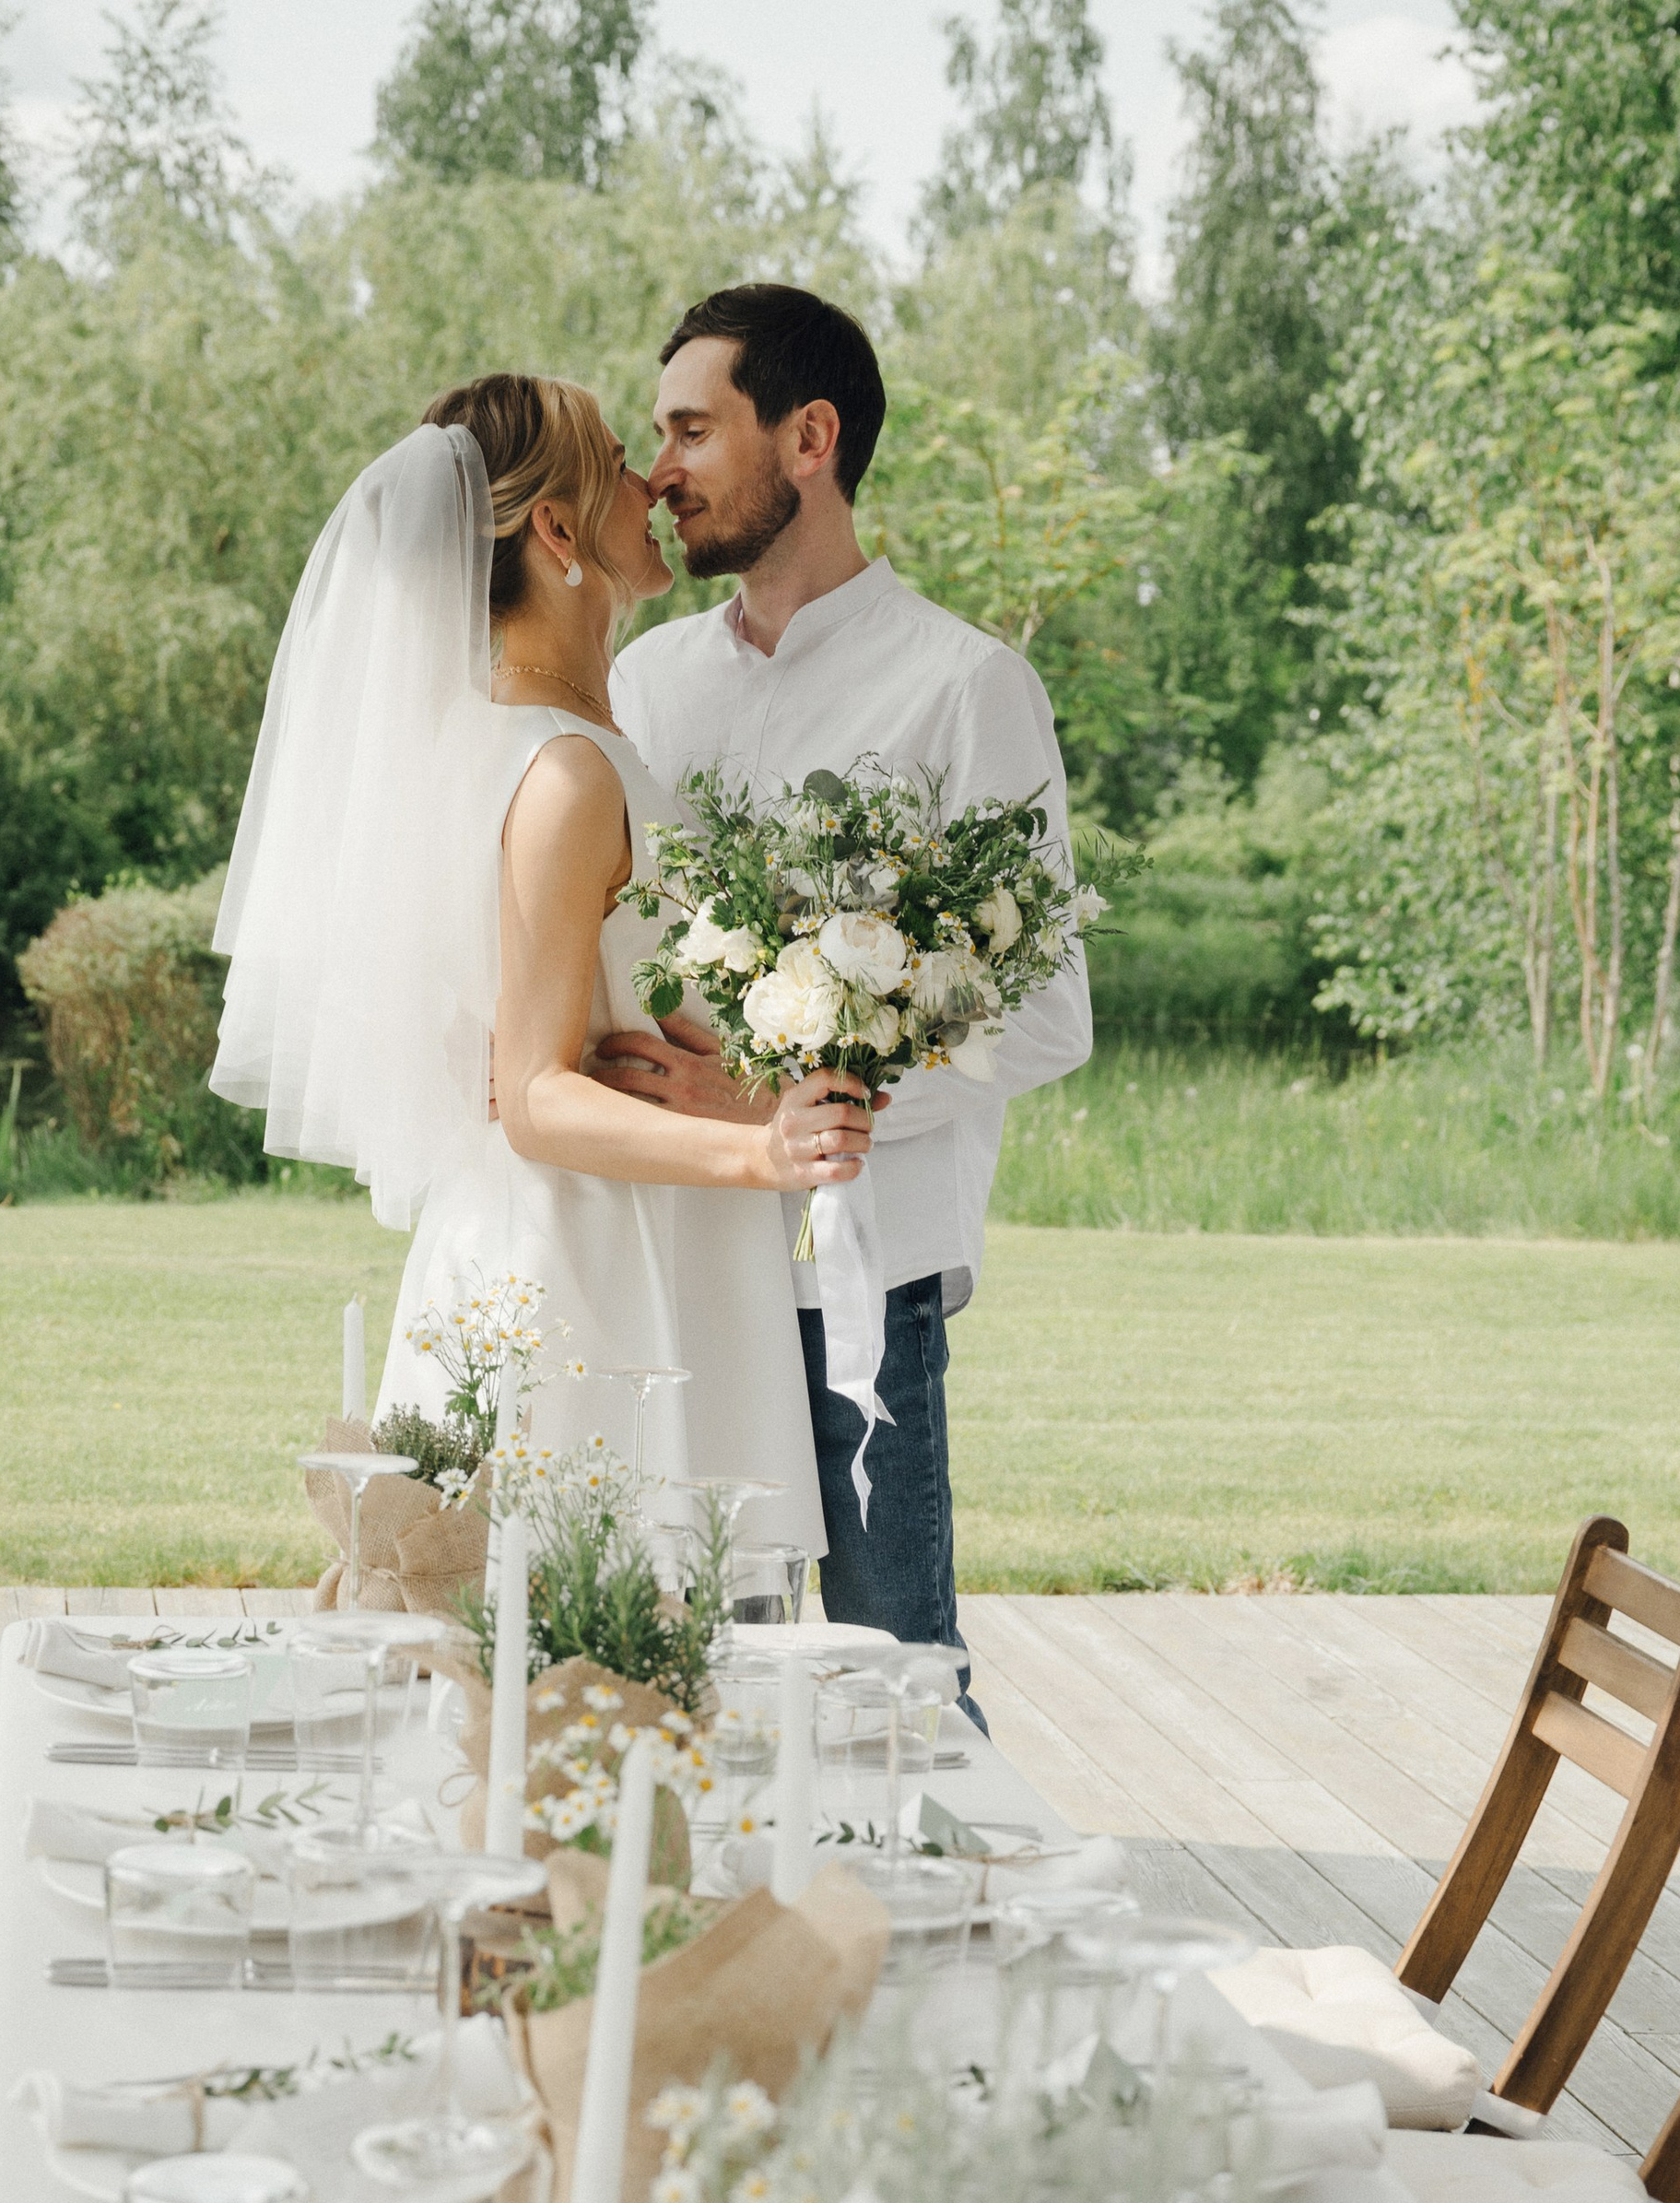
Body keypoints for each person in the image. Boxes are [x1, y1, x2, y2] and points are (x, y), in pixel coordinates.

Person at [208, 373, 874, 1563]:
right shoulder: (562, 775)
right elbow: (534, 1094)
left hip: (619, 1238)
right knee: (567, 1671)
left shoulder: (553, 749)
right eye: (620, 459)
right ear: (560, 533)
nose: (652, 482)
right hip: (583, 1277)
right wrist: (759, 1149)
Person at [602, 282, 1094, 1703]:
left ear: (809, 436)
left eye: (693, 430)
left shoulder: (966, 687)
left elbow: (1048, 1016)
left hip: (868, 1274)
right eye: (657, 435)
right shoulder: (644, 685)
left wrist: (794, 1103)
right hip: (677, 1263)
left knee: (896, 1685)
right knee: (700, 1684)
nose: (661, 473)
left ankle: (950, 1920)